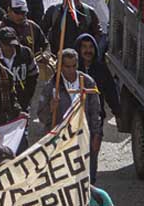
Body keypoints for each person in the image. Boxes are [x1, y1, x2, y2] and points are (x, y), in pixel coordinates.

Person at [32, 48, 104, 181]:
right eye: (67, 66)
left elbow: (95, 111)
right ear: (60, 66)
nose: (71, 70)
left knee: (86, 178)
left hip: (83, 137)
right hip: (60, 141)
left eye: (74, 66)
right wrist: (51, 108)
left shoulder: (87, 82)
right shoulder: (52, 86)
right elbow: (41, 115)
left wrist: (97, 134)